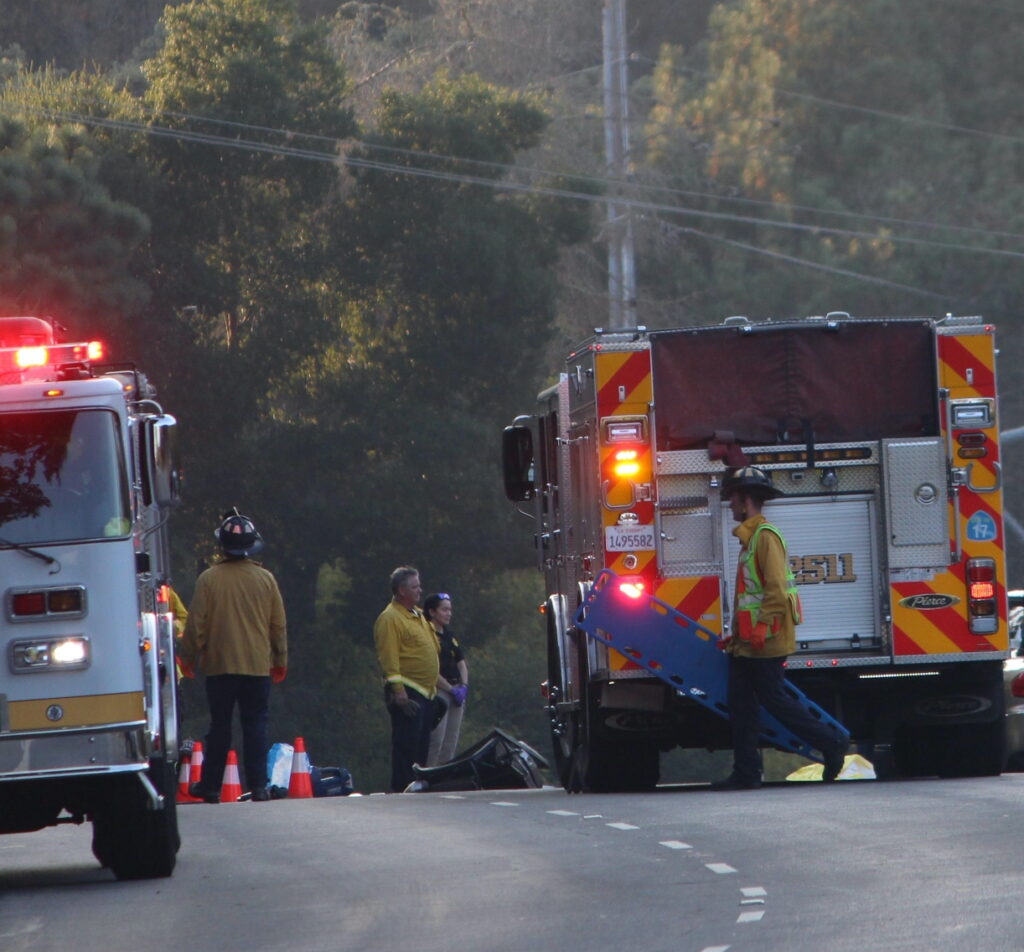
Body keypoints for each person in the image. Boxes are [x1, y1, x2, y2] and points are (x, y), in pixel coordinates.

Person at [713, 466, 848, 791]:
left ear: (746, 501)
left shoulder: (765, 538)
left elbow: (774, 591)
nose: (730, 505)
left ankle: (831, 743)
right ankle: (746, 773)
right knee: (741, 704)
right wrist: (741, 634)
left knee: (773, 699)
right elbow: (753, 595)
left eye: (733, 498)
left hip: (767, 639)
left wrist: (758, 629)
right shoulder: (751, 539)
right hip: (750, 641)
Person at [179, 509, 287, 803]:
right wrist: (280, 662)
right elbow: (278, 626)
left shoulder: (209, 579)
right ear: (252, 546)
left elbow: (196, 624)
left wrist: (186, 657)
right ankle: (260, 786)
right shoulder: (266, 579)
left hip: (220, 666)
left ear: (220, 546)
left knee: (220, 726)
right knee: (255, 726)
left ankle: (211, 786)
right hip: (257, 666)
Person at [374, 566, 439, 792]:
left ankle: (417, 786)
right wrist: (398, 690)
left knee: (421, 746)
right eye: (414, 586)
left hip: (426, 691)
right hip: (408, 691)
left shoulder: (418, 615)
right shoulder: (390, 618)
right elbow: (389, 657)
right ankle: (402, 789)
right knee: (406, 745)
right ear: (401, 590)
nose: (420, 590)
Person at [425, 593, 469, 766]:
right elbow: (430, 670)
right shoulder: (427, 635)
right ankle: (428, 774)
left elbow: (461, 662)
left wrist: (464, 685)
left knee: (451, 741)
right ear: (432, 612)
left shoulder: (449, 636)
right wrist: (450, 689)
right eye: (444, 609)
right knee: (437, 739)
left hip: (457, 690)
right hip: (440, 691)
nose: (448, 613)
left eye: (450, 610)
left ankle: (446, 776)